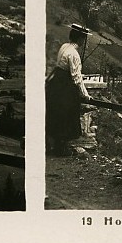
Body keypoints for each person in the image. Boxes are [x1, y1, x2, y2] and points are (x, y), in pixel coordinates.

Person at [45, 24, 91, 155]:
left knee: (55, 113)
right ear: (81, 39)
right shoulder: (74, 54)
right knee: (67, 114)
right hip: (65, 87)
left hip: (56, 84)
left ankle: (53, 145)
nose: (84, 42)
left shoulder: (64, 46)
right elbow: (77, 78)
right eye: (84, 39)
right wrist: (85, 94)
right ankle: (60, 149)